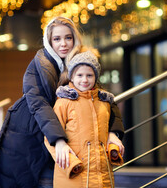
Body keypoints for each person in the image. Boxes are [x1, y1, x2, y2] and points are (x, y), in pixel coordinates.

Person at [0, 17, 124, 188]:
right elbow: (39, 105)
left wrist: (113, 132)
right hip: (34, 135)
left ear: (75, 38)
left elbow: (103, 98)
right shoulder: (37, 65)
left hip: (72, 143)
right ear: (49, 41)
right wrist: (59, 140)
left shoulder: (84, 62)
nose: (63, 43)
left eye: (68, 37)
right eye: (57, 39)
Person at [45, 49, 124, 188]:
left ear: (96, 77)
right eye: (80, 75)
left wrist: (113, 148)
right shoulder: (64, 102)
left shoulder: (104, 102)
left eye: (89, 75)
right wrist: (72, 164)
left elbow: (108, 131)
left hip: (103, 177)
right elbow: (50, 138)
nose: (85, 79)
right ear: (72, 77)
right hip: (74, 176)